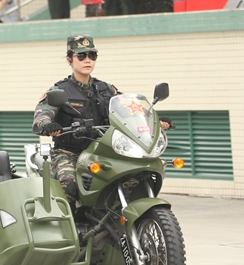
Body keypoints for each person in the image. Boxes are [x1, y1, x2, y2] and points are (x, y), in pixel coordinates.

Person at [32, 35, 171, 204]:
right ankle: (67, 226)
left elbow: (129, 110)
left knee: (134, 175)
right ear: (70, 59)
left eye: (92, 55)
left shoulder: (106, 89)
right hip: (70, 153)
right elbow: (42, 114)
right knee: (69, 184)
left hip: (103, 150)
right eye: (81, 56)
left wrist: (151, 118)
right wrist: (47, 125)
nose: (87, 60)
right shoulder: (60, 90)